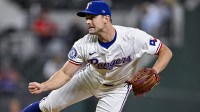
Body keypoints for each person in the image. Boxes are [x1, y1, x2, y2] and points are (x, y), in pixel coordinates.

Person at [22, 1, 172, 112]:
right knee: (48, 106)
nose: (88, 21)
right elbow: (65, 74)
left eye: (92, 17)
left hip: (116, 89)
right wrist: (44, 86)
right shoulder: (83, 44)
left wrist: (154, 71)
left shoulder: (133, 37)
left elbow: (165, 51)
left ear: (106, 18)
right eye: (87, 17)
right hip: (88, 79)